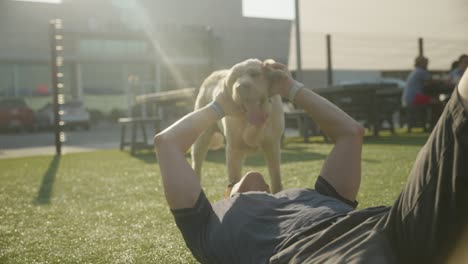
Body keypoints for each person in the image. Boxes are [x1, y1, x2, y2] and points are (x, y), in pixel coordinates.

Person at [154, 61, 468, 263]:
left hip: (391, 226)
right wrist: (220, 106)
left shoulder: (308, 197)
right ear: (228, 195)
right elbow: (166, 144)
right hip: (315, 256)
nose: (258, 177)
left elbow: (351, 133)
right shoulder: (204, 227)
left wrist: (290, 89)